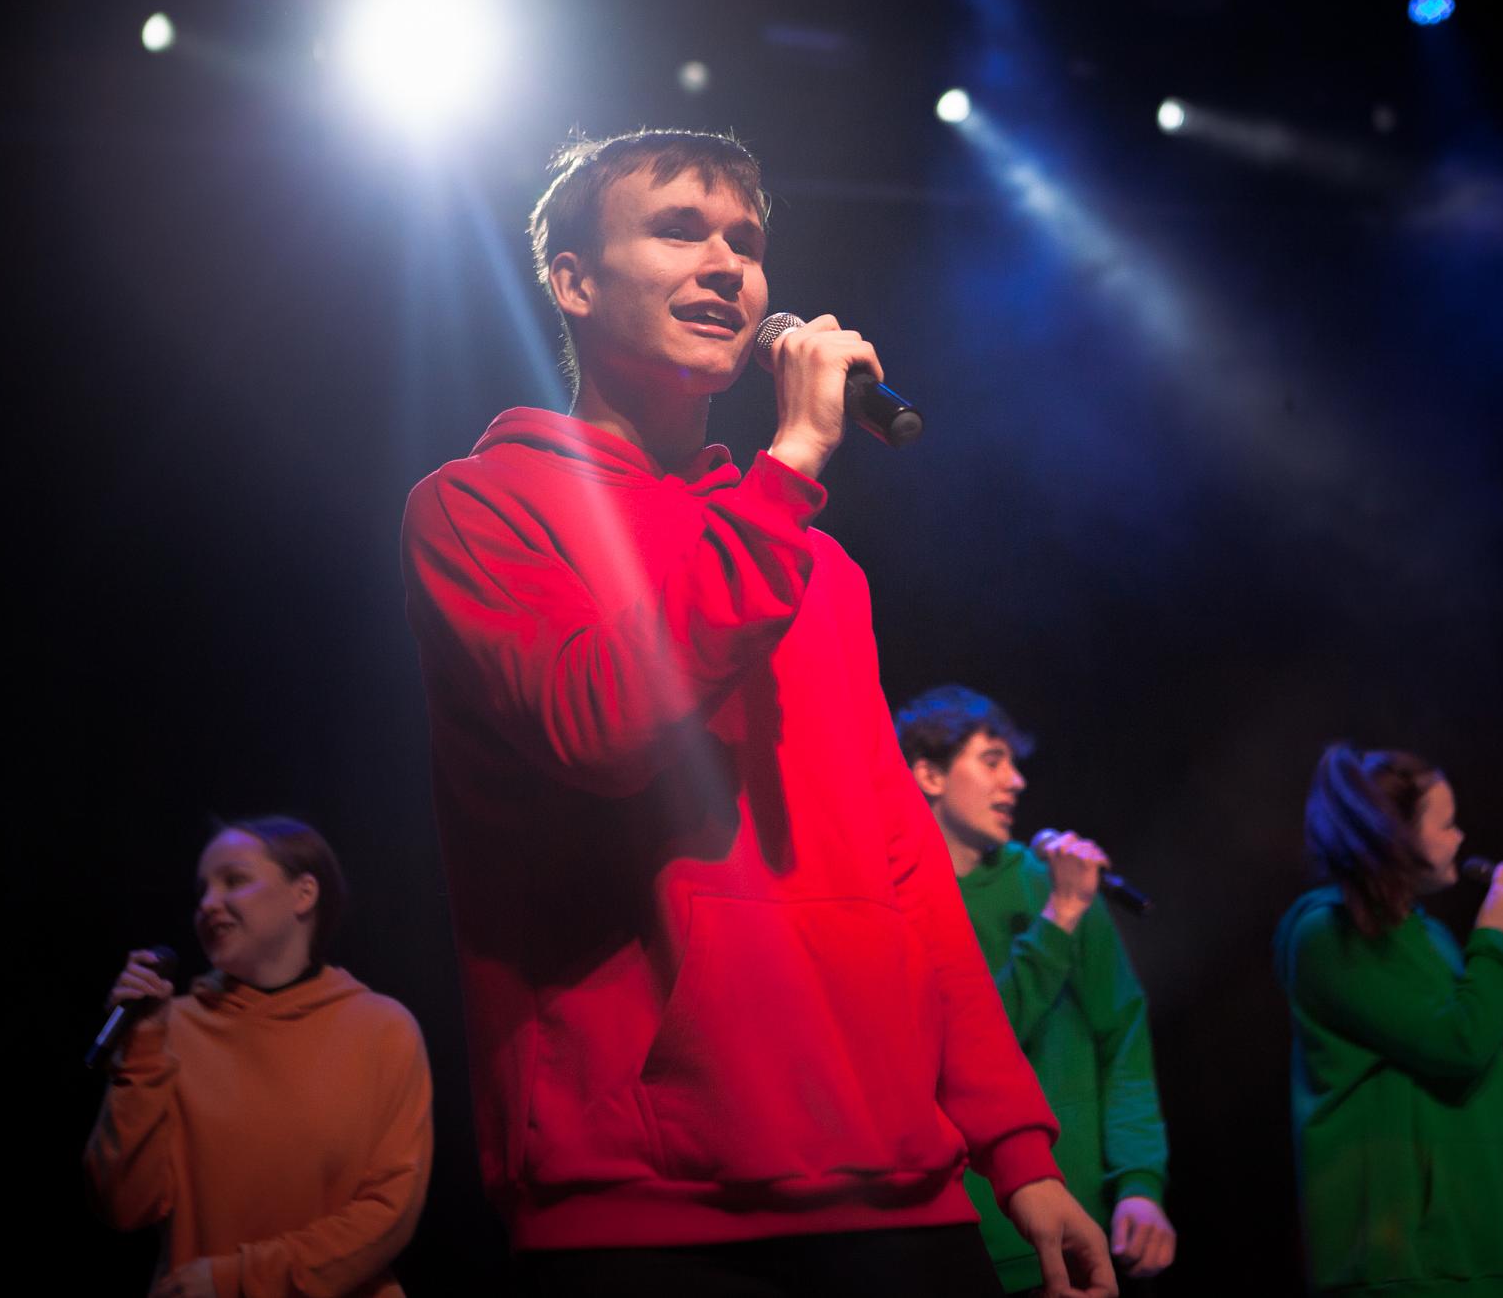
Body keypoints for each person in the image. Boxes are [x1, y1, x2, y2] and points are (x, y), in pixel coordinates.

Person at [399, 130, 1112, 1297]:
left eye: (745, 240)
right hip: (642, 1203)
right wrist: (785, 474)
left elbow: (902, 863)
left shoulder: (816, 567)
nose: (726, 265)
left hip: (899, 1182)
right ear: (574, 281)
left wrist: (1015, 1148)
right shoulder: (478, 509)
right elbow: (600, 722)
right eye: (679, 230)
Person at [894, 686, 1176, 1292]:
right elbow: (964, 1049)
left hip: (1079, 1227)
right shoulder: (897, 902)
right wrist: (1058, 921)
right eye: (992, 761)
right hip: (963, 1239)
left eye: (1014, 764)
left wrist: (1139, 1185)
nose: (1016, 781)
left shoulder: (1050, 881)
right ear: (929, 775)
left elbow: (1122, 1041)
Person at [84, 817, 432, 1298]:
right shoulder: (167, 1029)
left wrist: (238, 1280)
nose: (208, 904)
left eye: (234, 880)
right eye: (202, 890)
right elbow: (123, 1205)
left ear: (303, 894)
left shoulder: (382, 1029)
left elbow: (388, 1212)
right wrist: (140, 1049)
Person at [1271, 743, 1503, 1296]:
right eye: (1446, 825)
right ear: (1396, 836)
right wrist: (1495, 939)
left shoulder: (1432, 934)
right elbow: (1461, 1042)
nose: (1461, 838)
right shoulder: (1326, 935)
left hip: (1484, 1247)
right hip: (1406, 1261)